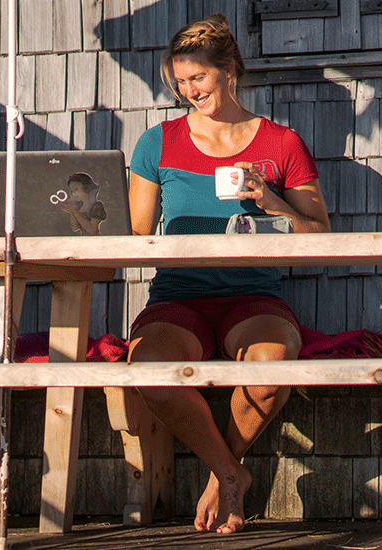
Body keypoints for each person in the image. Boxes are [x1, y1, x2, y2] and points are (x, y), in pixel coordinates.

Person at [126, 14, 330, 535]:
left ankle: (222, 479)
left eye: (199, 78)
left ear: (229, 71)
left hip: (253, 296)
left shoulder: (281, 142)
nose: (189, 91)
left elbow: (321, 234)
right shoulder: (159, 142)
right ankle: (231, 471)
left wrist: (271, 200)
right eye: (181, 82)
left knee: (272, 365)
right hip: (179, 296)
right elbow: (134, 236)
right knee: (149, 365)